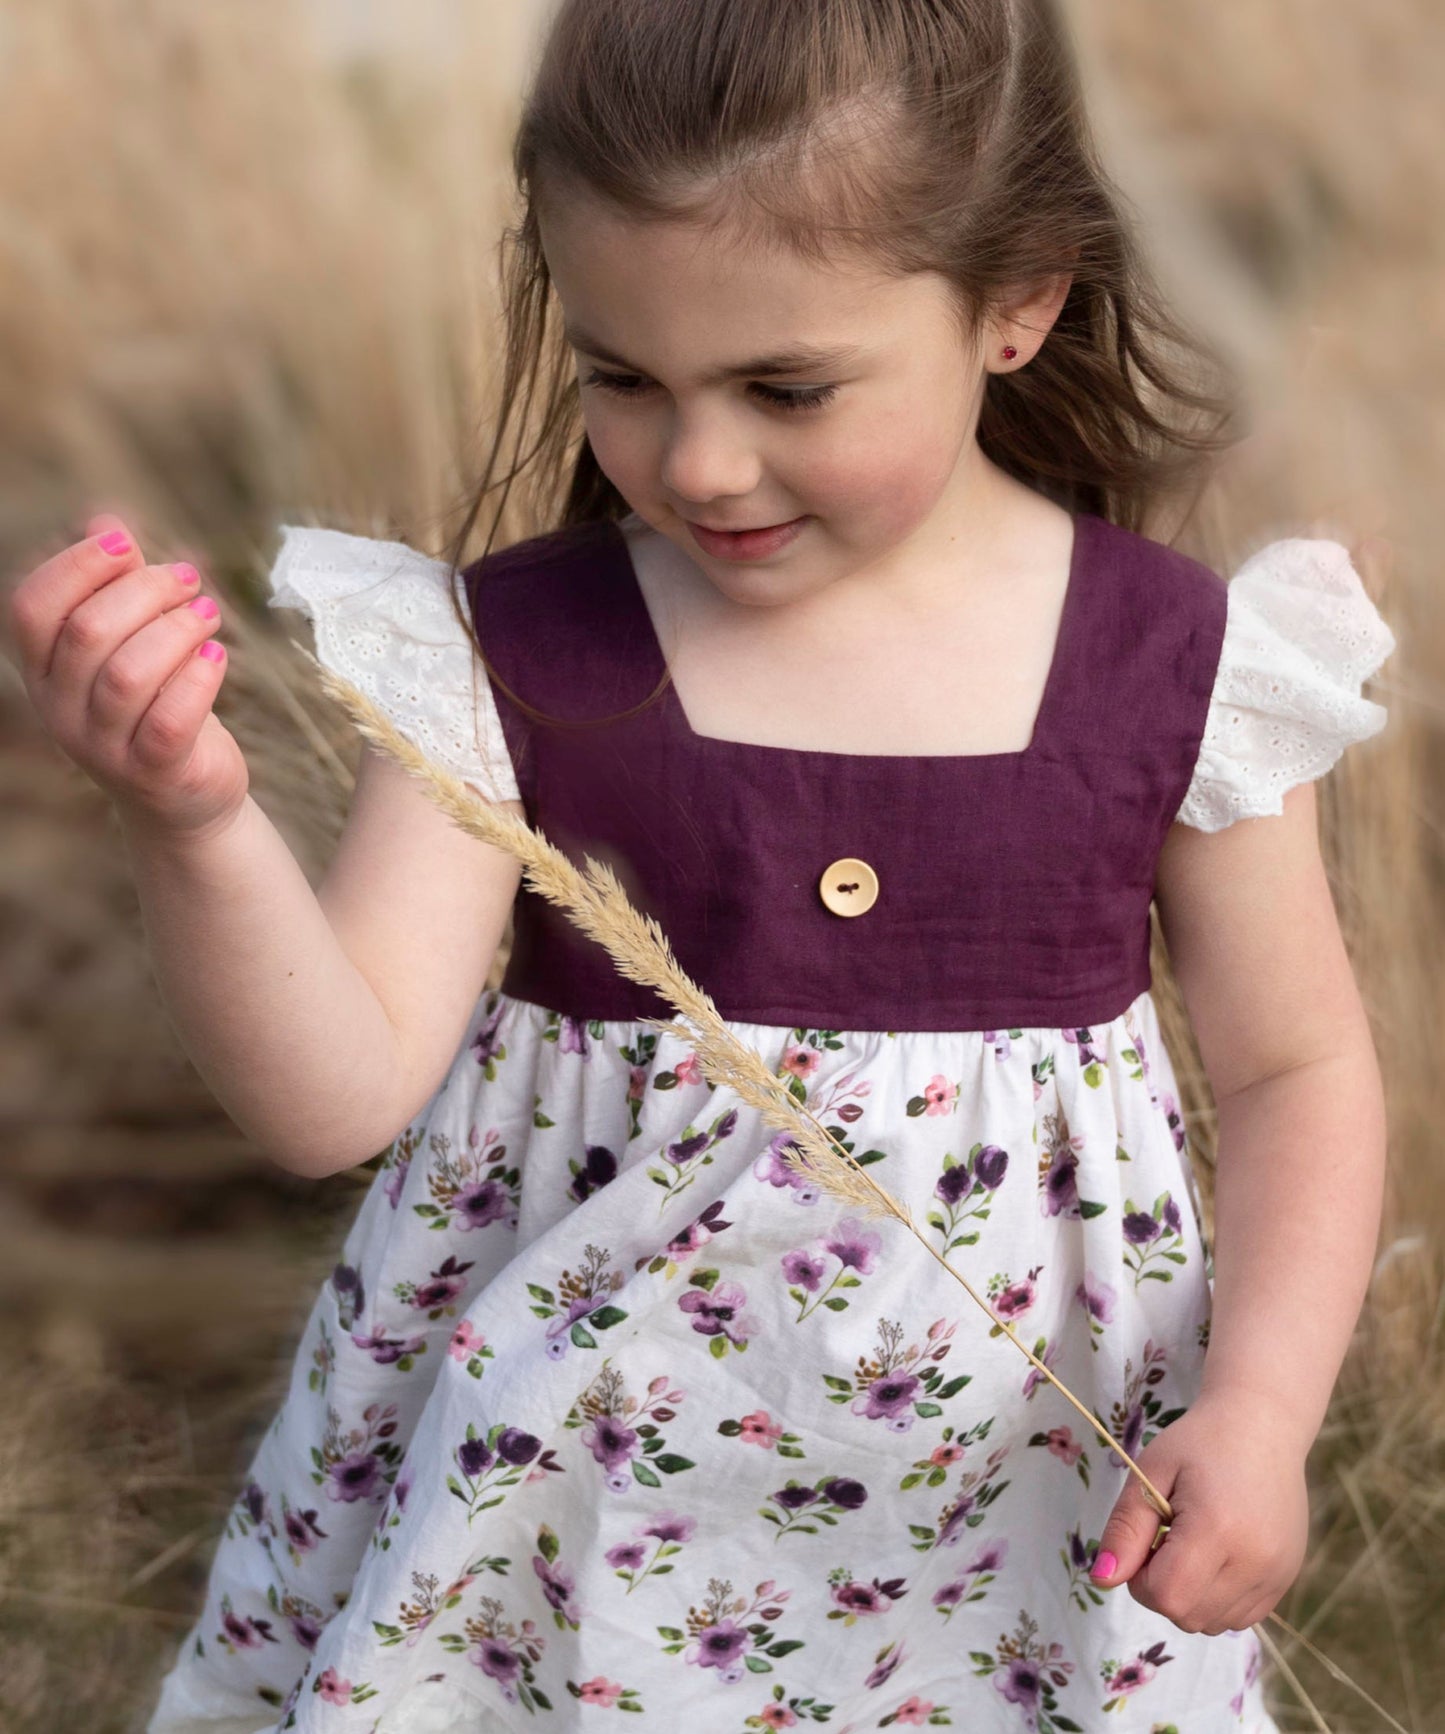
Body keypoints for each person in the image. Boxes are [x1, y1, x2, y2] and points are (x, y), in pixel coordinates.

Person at [6, 2, 1397, 1730]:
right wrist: (191, 821)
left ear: (1017, 302)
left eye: (786, 386)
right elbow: (331, 1095)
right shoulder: (511, 659)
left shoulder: (1176, 665)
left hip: (1015, 1531)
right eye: (624, 378)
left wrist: (1258, 1413)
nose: (698, 464)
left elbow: (1292, 1067)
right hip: (553, 1552)